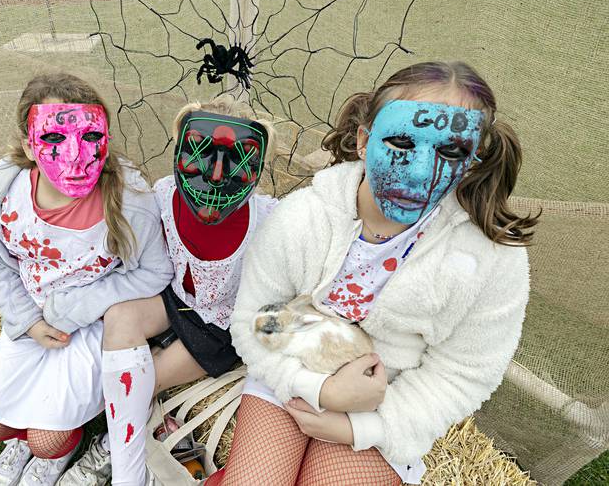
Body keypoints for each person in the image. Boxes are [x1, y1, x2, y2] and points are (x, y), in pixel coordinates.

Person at [213, 61, 538, 485]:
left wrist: (364, 428)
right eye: (401, 143)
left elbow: (464, 371)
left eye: (450, 152)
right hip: (290, 375)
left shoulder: (492, 260)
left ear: (473, 162)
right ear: (364, 140)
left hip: (385, 408)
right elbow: (253, 320)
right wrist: (317, 390)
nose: (420, 171)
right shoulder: (302, 217)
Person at [58, 95, 278, 486]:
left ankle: (115, 449)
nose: (215, 175)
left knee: (145, 379)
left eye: (237, 159)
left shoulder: (269, 221)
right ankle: (50, 431)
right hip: (173, 299)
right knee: (119, 317)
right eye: (201, 153)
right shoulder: (160, 196)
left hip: (220, 327)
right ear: (178, 145)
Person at [0, 72, 173, 486]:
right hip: (32, 316)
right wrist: (26, 320)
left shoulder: (132, 201)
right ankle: (22, 438)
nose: (76, 156)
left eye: (92, 137)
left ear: (107, 137)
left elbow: (156, 272)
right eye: (55, 140)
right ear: (28, 144)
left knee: (48, 439)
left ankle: (52, 451)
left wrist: (77, 308)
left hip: (92, 324)